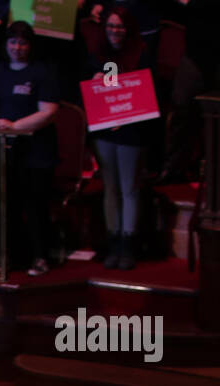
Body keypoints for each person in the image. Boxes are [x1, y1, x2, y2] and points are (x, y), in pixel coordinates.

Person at [0, 21, 59, 275]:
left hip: (36, 152)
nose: (17, 47)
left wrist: (14, 126)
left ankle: (40, 257)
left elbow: (49, 111)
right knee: (6, 206)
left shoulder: (43, 72)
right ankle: (9, 256)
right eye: (12, 42)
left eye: (22, 42)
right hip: (2, 151)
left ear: (30, 45)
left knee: (35, 206)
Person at [84, 4, 152, 271]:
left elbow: (145, 92)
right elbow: (90, 93)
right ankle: (113, 241)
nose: (115, 31)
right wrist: (94, 80)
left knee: (129, 189)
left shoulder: (141, 54)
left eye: (120, 26)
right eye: (111, 26)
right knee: (110, 189)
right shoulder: (96, 55)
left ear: (128, 29)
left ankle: (128, 244)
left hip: (131, 132)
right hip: (104, 131)